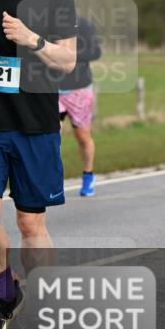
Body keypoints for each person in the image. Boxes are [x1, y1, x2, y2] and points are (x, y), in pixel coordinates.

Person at [0, 0, 77, 329]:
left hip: (36, 122)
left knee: (29, 225)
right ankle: (5, 294)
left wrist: (31, 37)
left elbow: (67, 60)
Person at [57, 15, 101, 197]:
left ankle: (88, 175)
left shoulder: (84, 24)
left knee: (82, 136)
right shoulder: (42, 24)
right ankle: (52, 179)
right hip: (52, 89)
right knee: (50, 135)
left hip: (79, 89)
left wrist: (67, 53)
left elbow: (95, 53)